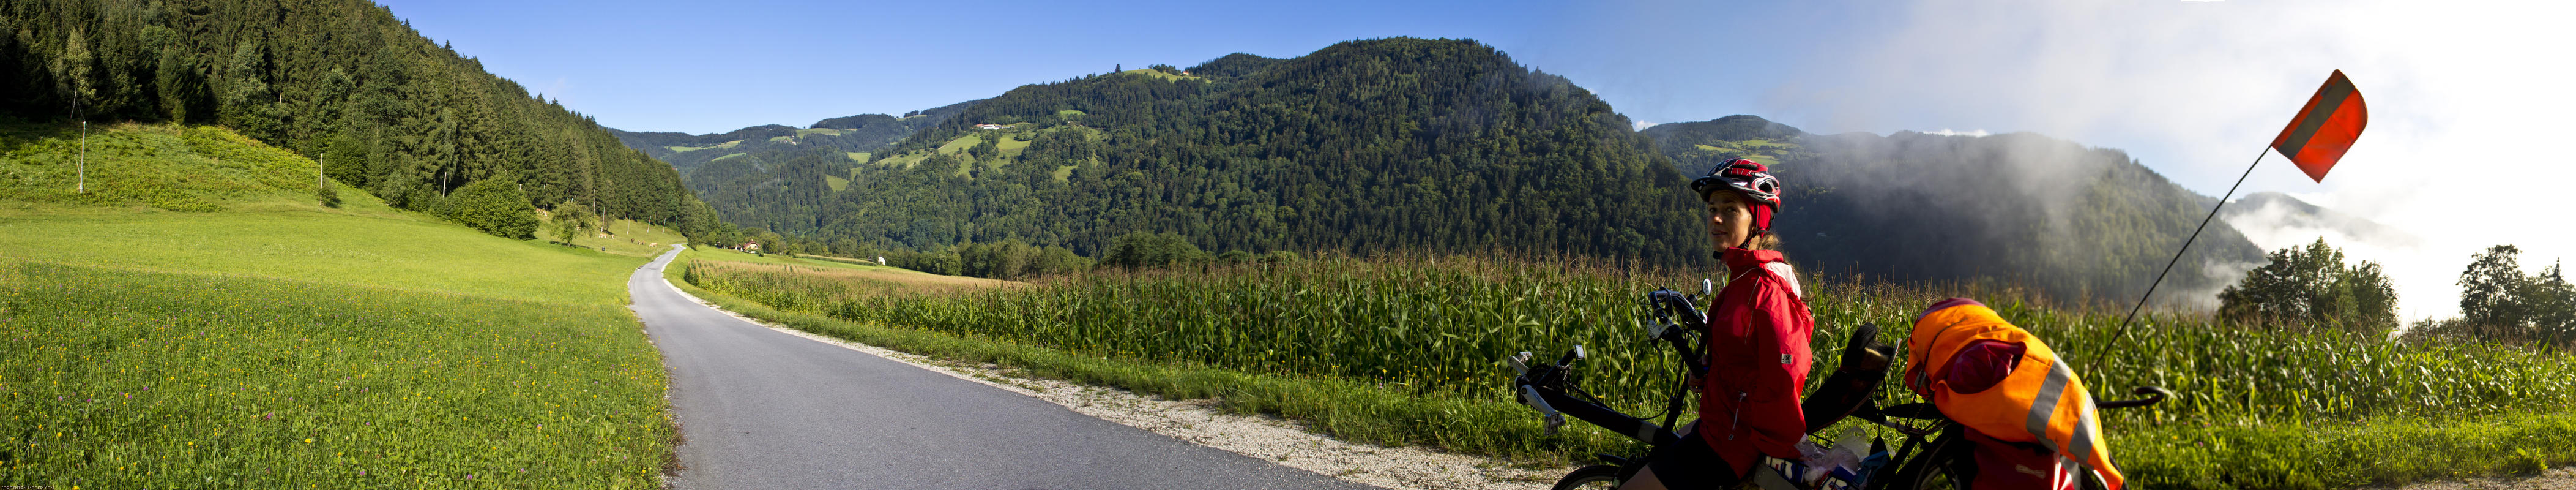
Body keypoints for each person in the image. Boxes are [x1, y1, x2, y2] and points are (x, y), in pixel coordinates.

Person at [1620, 159, 1813, 490]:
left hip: (1732, 446)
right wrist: (1713, 369)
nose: (1716, 219)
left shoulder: (1763, 290)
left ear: (1758, 219)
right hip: (1721, 427)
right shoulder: (1742, 279)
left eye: (1730, 209)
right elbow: (1746, 357)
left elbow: (1785, 374)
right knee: (1663, 447)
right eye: (1712, 209)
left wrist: (1768, 454)